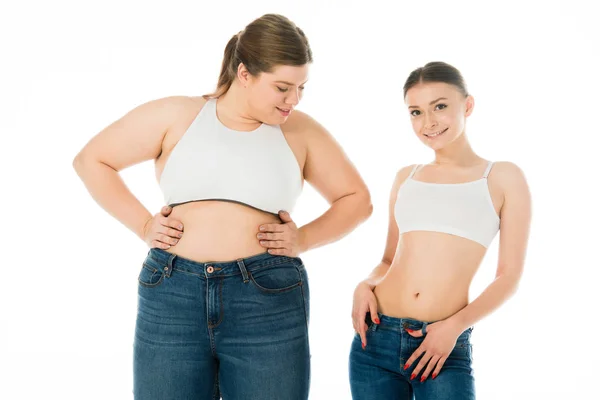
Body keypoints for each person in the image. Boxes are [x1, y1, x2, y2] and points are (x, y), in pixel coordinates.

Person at [73, 13, 372, 400]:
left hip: (267, 298)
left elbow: (357, 200)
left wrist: (304, 238)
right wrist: (143, 225)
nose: (293, 100)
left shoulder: (300, 131)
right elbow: (92, 160)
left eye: (301, 88)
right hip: (172, 291)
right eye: (282, 87)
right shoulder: (178, 114)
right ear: (244, 73)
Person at [348, 61, 531, 400]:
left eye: (440, 107)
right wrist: (366, 283)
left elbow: (508, 277)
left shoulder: (502, 177)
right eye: (416, 112)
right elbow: (388, 260)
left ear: (468, 105)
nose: (428, 122)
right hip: (375, 340)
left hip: (442, 344)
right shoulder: (407, 176)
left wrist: (453, 327)